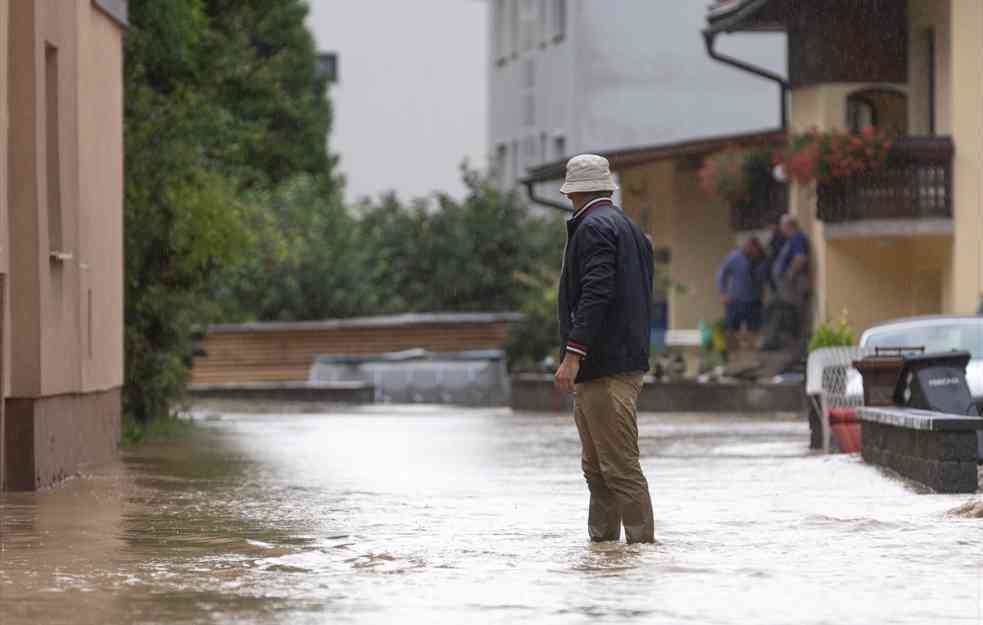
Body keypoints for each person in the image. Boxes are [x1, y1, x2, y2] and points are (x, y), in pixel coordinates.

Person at [553, 154, 655, 544]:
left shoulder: (592, 228)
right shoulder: (629, 228)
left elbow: (597, 293)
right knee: (598, 468)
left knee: (617, 467)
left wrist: (573, 354)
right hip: (623, 362)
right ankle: (604, 553)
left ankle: (639, 549)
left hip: (603, 366)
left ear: (573, 191)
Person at [771, 214, 812, 344]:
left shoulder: (797, 237)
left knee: (795, 313)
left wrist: (790, 274)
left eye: (782, 226)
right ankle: (795, 342)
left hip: (795, 283)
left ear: (788, 226)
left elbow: (800, 257)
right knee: (790, 311)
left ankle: (798, 343)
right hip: (790, 284)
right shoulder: (792, 239)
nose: (781, 229)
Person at [716, 237, 765, 333]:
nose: (752, 251)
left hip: (754, 301)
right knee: (732, 331)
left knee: (755, 330)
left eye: (755, 249)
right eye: (749, 248)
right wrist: (723, 293)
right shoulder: (734, 257)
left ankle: (751, 346)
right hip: (735, 300)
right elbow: (721, 275)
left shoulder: (760, 257)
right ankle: (732, 346)